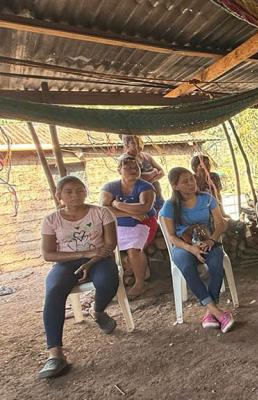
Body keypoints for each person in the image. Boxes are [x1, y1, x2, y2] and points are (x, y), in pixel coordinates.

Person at [38, 176, 119, 379]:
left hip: (100, 259)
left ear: (86, 192)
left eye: (80, 190)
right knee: (54, 290)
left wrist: (90, 262)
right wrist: (83, 255)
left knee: (108, 280)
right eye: (69, 191)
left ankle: (97, 311)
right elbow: (48, 254)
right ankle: (55, 354)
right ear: (59, 195)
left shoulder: (101, 213)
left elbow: (110, 244)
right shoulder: (51, 220)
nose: (75, 195)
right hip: (66, 263)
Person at [160, 167, 234, 332]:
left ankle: (210, 313)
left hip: (207, 241)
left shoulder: (206, 199)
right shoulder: (170, 206)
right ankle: (216, 312)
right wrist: (191, 249)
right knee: (187, 266)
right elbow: (171, 236)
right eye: (185, 181)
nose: (191, 183)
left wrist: (211, 240)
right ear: (175, 186)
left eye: (191, 179)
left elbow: (221, 223)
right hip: (183, 245)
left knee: (216, 264)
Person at [100, 156, 156, 298]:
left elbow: (144, 208)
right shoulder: (110, 187)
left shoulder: (146, 187)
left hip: (143, 223)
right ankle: (108, 284)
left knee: (133, 248)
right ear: (119, 170)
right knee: (105, 248)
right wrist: (130, 213)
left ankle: (139, 283)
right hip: (118, 224)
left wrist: (117, 204)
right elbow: (104, 209)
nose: (133, 170)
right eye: (128, 167)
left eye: (136, 167)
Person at [121, 135, 165, 211]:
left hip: (156, 191)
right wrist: (153, 172)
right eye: (134, 143)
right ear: (127, 145)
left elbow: (161, 172)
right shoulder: (126, 159)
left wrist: (151, 181)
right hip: (142, 193)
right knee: (148, 211)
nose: (138, 144)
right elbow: (137, 177)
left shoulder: (146, 156)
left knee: (161, 211)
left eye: (140, 141)